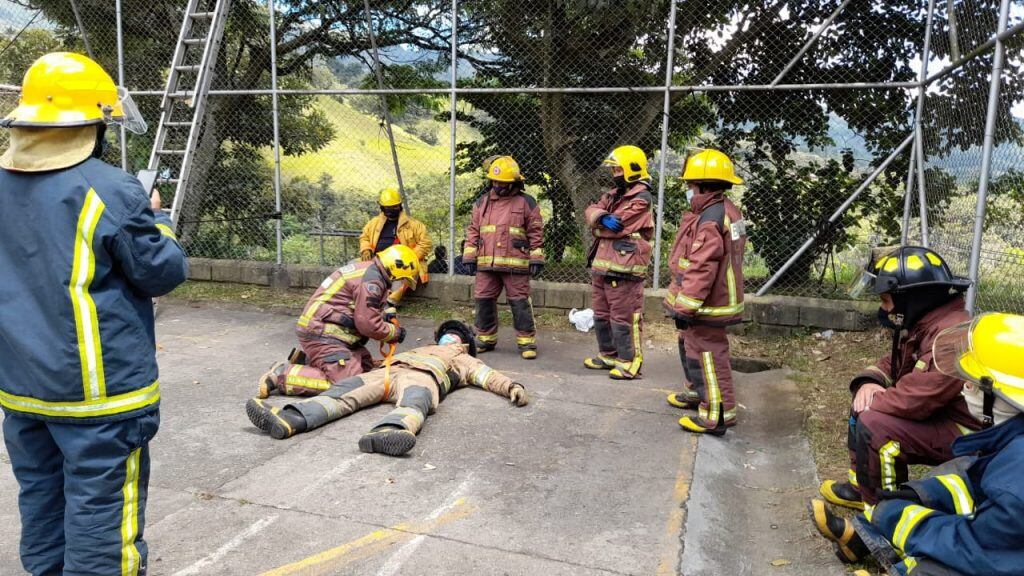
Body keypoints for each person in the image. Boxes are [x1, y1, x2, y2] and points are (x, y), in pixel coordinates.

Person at [0, 52, 188, 576]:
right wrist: (158, 219)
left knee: (42, 499)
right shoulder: (111, 189)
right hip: (100, 396)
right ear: (91, 125)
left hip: (22, 389)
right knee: (101, 518)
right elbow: (161, 272)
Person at [809, 312, 1024, 575]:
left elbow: (977, 551)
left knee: (936, 568)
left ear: (1006, 397)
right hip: (1001, 540)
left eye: (974, 383)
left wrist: (910, 525)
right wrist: (916, 496)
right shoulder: (1009, 442)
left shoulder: (1015, 481)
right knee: (945, 479)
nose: (964, 388)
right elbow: (973, 485)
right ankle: (860, 538)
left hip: (993, 554)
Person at [817, 246, 981, 512]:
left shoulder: (951, 336)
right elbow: (895, 365)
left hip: (970, 433)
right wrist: (869, 382)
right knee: (864, 400)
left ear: (912, 299)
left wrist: (874, 401)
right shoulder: (929, 323)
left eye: (886, 300)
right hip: (946, 416)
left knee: (876, 424)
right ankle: (862, 488)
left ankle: (886, 512)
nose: (884, 309)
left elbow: (917, 399)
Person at [246, 320, 530, 456]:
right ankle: (291, 419)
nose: (448, 339)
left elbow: (488, 376)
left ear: (462, 343)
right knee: (344, 392)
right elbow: (373, 361)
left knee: (414, 403)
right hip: (388, 372)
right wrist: (311, 359)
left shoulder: (465, 359)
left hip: (422, 378)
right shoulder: (419, 348)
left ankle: (389, 432)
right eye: (446, 336)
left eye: (453, 337)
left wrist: (511, 387)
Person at [257, 244, 419, 397]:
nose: (399, 285)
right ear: (396, 268)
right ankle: (281, 375)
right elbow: (367, 324)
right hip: (324, 334)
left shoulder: (369, 272)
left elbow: (360, 309)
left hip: (332, 332)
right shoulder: (372, 281)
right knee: (350, 383)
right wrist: (394, 332)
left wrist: (383, 318)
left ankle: (308, 361)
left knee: (367, 369)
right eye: (401, 279)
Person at [663, 149, 747, 436]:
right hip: (718, 298)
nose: (688, 189)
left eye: (690, 184)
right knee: (692, 347)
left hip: (708, 302)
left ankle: (717, 416)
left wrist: (684, 307)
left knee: (708, 356)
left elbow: (702, 267)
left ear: (702, 185)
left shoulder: (711, 218)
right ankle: (697, 394)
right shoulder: (728, 210)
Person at [582, 145, 655, 380]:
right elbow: (590, 210)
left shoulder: (642, 198)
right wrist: (602, 218)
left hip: (626, 268)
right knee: (601, 315)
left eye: (618, 169)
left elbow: (620, 226)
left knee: (624, 318)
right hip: (603, 265)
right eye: (613, 169)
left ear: (632, 169)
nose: (614, 174)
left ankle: (629, 362)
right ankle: (608, 355)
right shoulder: (613, 195)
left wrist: (598, 226)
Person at [462, 155, 545, 359]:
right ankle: (485, 338)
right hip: (486, 263)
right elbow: (473, 230)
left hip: (515, 263)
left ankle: (526, 342)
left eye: (503, 182)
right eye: (495, 182)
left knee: (519, 302)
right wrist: (469, 255)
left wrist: (536, 257)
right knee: (483, 299)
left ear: (514, 182)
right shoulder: (482, 202)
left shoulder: (526, 202)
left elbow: (535, 232)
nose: (498, 186)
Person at [359, 187, 431, 306]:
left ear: (400, 205)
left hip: (402, 265)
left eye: (394, 207)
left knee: (402, 280)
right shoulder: (374, 223)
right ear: (382, 207)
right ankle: (359, 299)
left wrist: (409, 258)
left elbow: (426, 243)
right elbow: (364, 237)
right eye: (387, 207)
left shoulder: (414, 225)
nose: (391, 210)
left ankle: (388, 304)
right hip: (377, 261)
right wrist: (366, 249)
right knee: (353, 267)